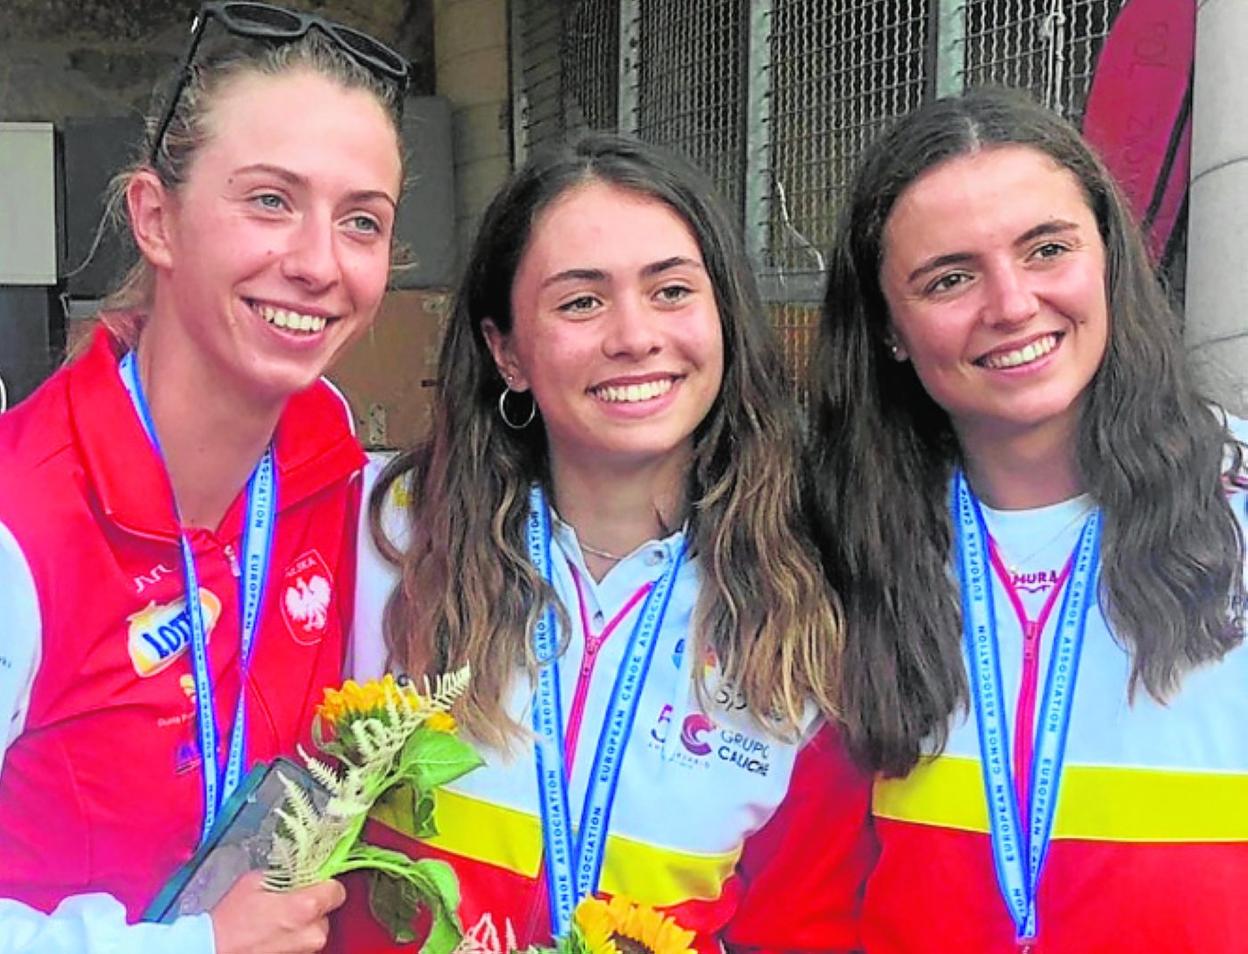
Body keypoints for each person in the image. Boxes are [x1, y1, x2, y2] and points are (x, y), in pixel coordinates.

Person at [342, 133, 875, 953]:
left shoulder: (805, 608)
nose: (634, 336)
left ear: (723, 320)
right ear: (507, 352)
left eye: (670, 291)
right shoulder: (388, 541)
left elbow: (801, 925)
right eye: (580, 302)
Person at [0, 4, 409, 952]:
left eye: (362, 222)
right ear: (157, 219)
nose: (317, 264)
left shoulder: (332, 452)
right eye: (269, 200)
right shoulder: (20, 520)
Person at [808, 86, 1248, 953]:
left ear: (1110, 257)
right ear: (891, 329)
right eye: (951, 278)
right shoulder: (838, 542)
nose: (1011, 305)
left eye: (1047, 248)